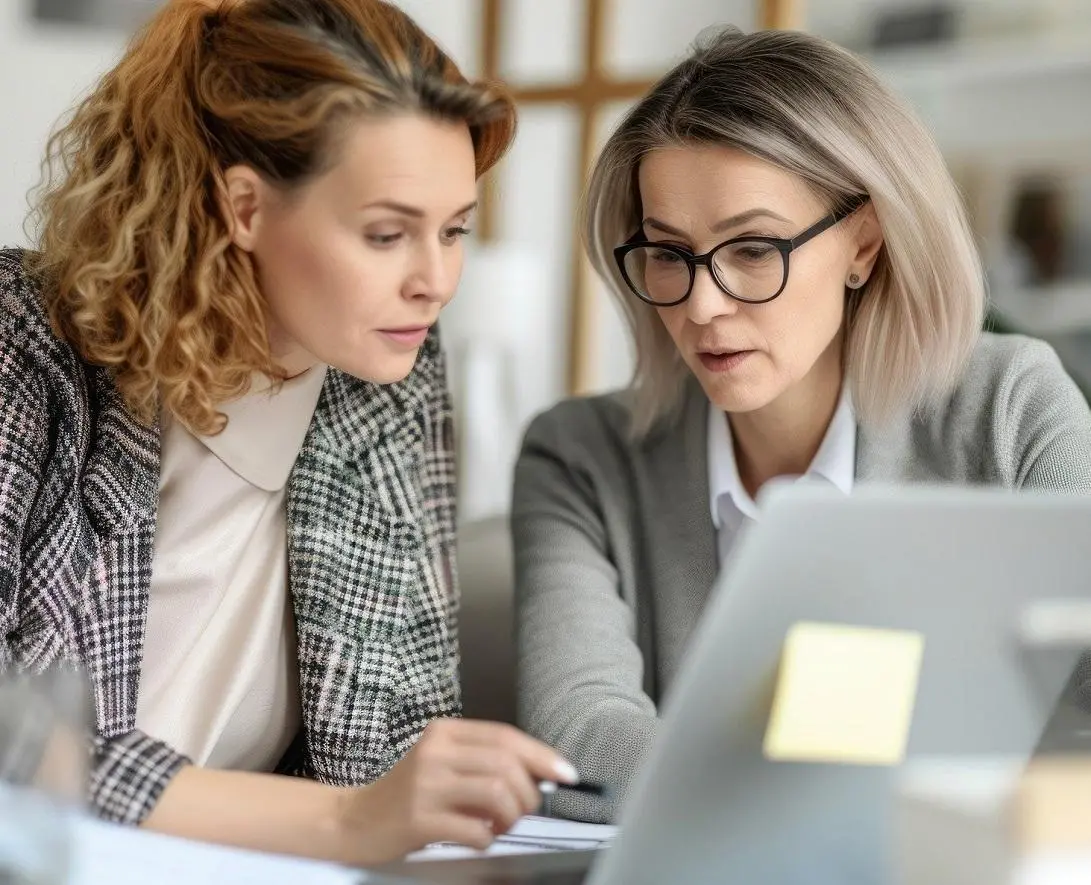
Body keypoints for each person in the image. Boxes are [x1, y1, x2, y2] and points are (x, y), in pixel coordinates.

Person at [0, 0, 580, 865]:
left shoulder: (389, 378)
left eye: (454, 231)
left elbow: (399, 735)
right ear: (243, 206)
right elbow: (14, 742)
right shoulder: (24, 347)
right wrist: (347, 822)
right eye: (387, 233)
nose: (435, 280)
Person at [512, 25, 1091, 824]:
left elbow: (1078, 709)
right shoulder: (578, 455)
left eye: (751, 249)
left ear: (863, 243)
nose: (701, 305)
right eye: (668, 253)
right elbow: (578, 734)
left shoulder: (1008, 408)